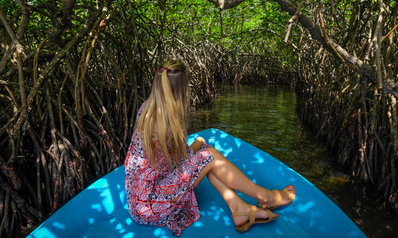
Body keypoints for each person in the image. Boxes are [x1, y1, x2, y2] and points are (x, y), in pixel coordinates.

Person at [124, 59, 296, 236]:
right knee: (210, 155)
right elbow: (182, 160)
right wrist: (198, 144)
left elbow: (168, 163)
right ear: (182, 90)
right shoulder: (167, 123)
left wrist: (197, 146)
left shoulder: (147, 109)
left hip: (140, 203)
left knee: (206, 157)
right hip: (156, 206)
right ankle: (265, 197)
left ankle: (239, 208)